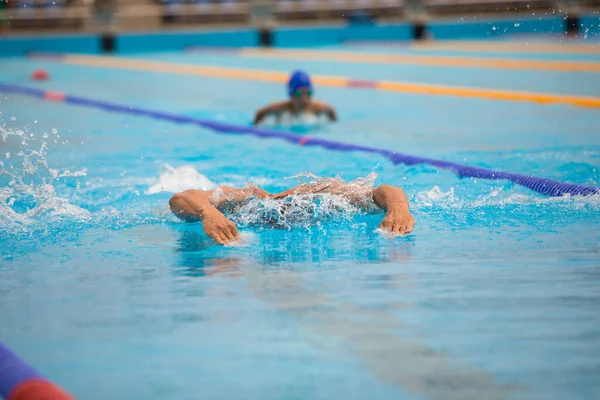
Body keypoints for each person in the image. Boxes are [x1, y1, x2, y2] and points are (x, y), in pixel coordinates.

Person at [169, 180, 415, 245]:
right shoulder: (247, 198)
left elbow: (386, 189)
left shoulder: (323, 195)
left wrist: (398, 208)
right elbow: (180, 199)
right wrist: (207, 212)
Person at [253, 70, 337, 126]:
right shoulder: (282, 107)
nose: (305, 99)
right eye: (300, 94)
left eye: (308, 93)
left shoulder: (316, 107)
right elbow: (260, 113)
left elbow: (331, 111)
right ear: (292, 95)